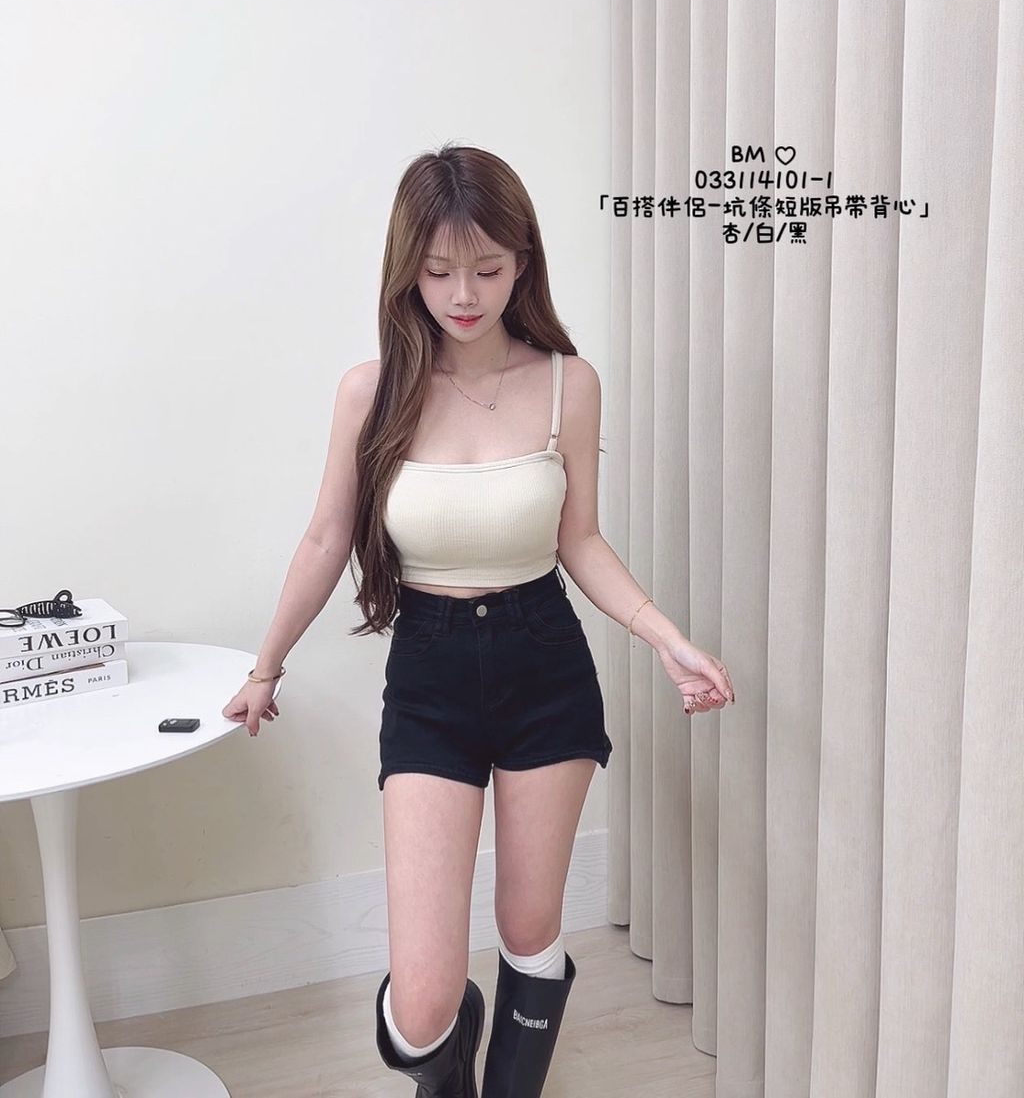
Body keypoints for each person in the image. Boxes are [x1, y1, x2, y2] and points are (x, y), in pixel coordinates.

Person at [221, 143, 735, 1097]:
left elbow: (581, 540)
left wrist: (668, 638)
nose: (464, 294)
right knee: (420, 1007)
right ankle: (446, 1063)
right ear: (407, 270)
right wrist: (266, 667)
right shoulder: (371, 391)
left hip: (545, 664)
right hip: (430, 674)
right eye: (439, 270)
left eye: (489, 269)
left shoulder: (568, 383)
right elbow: (326, 536)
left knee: (530, 928)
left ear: (523, 261)